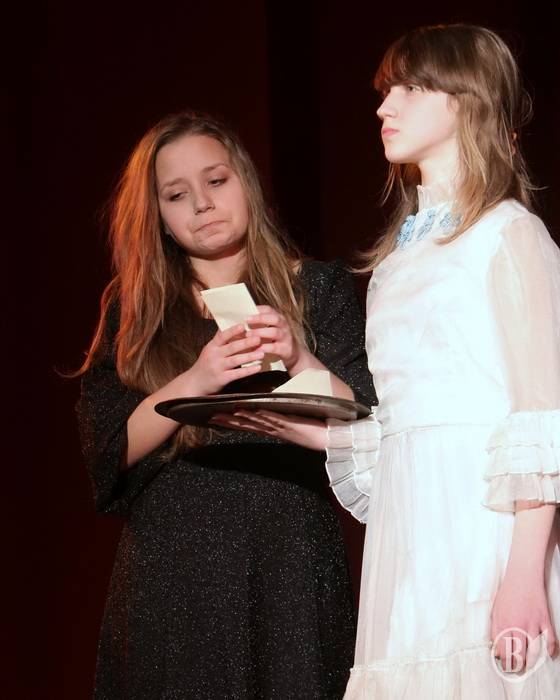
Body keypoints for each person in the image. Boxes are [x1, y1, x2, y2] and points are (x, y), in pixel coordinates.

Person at [230, 24, 560, 698]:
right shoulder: (395, 263)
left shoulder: (510, 234)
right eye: (386, 92)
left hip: (483, 528)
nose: (385, 106)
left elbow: (544, 411)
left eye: (409, 88)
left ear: (465, 99)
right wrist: (295, 366)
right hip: (411, 543)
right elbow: (398, 430)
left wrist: (526, 575)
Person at [76, 111, 376, 699]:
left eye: (215, 181)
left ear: (245, 182)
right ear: (159, 217)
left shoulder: (316, 288)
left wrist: (297, 357)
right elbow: (107, 450)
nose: (202, 204)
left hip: (290, 555)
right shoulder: (137, 308)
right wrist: (197, 378)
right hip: (174, 562)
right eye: (176, 195)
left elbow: (363, 418)